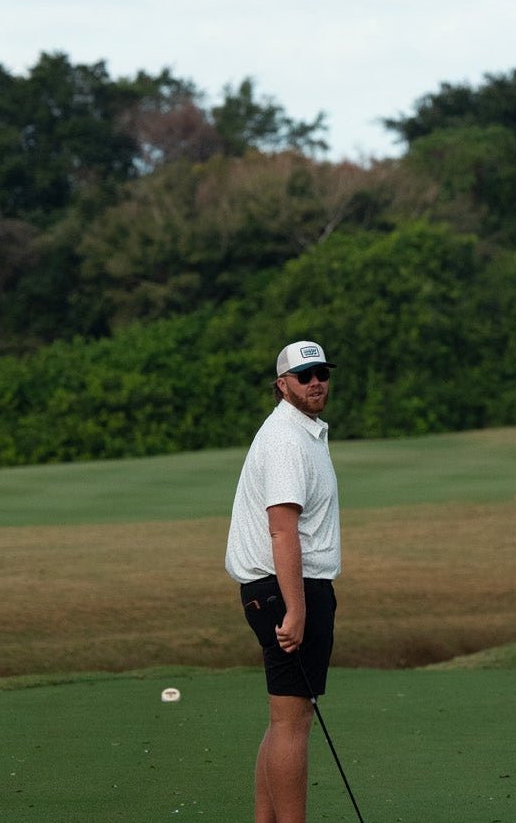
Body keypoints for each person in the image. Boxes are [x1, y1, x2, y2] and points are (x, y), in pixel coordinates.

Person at [226, 339, 342, 823]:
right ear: (282, 385)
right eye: (304, 376)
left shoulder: (303, 432)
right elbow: (281, 529)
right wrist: (296, 609)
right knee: (293, 723)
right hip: (285, 589)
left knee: (285, 721)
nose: (316, 382)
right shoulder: (287, 439)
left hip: (282, 588)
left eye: (321, 373)